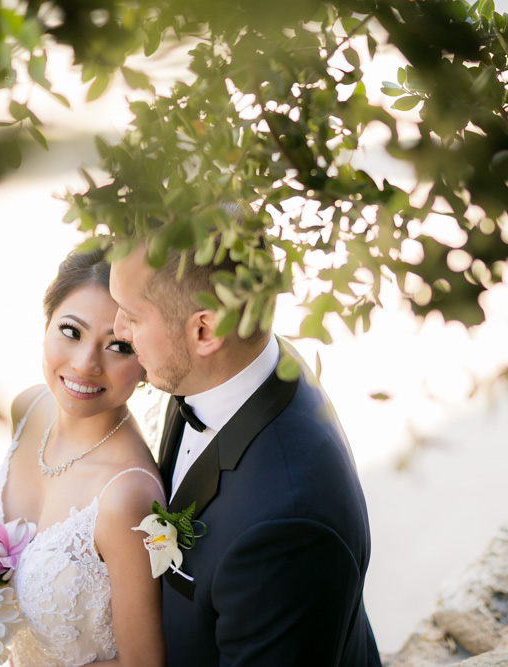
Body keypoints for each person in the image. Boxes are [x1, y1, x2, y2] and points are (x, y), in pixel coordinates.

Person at [109, 235, 383, 666]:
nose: (118, 330)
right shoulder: (229, 374)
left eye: (133, 317)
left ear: (205, 330)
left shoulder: (287, 526)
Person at [0, 247, 165, 666]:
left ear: (147, 359)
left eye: (119, 346)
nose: (85, 365)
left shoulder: (126, 495)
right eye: (71, 331)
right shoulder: (28, 408)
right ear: (46, 325)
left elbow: (145, 664)